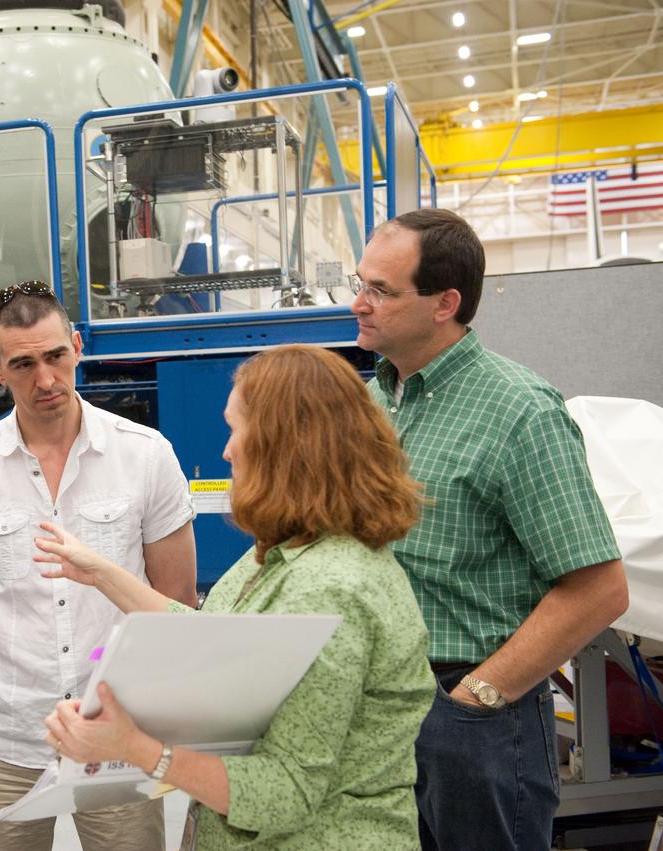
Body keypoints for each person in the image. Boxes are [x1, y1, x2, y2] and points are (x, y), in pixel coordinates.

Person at [36, 344, 436, 850]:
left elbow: (286, 791)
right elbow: (212, 636)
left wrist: (135, 748)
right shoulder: (283, 554)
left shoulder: (330, 588)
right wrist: (101, 574)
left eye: (236, 429)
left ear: (283, 446)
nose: (227, 450)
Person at [350, 208, 629, 850]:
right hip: (381, 704)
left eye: (381, 291)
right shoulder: (371, 402)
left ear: (445, 302)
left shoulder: (518, 412)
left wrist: (476, 698)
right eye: (359, 282)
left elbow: (599, 589)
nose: (358, 303)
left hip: (472, 710)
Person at [0, 280, 198, 851]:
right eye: (23, 364)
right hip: (8, 736)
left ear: (77, 346)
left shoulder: (145, 455)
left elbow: (175, 598)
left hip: (119, 731)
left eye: (55, 356)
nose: (45, 379)